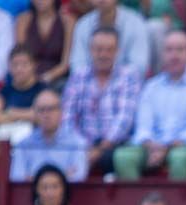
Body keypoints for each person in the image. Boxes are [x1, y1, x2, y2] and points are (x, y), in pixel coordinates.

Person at [113, 31, 186, 180]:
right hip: (153, 145)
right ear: (163, 54)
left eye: (180, 50)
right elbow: (143, 126)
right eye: (169, 50)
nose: (174, 56)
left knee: (179, 158)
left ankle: (180, 204)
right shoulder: (152, 86)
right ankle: (137, 203)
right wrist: (151, 145)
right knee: (123, 156)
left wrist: (168, 147)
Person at [61, 27, 142, 174]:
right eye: (98, 49)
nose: (103, 55)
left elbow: (125, 119)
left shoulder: (129, 76)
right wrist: (83, 147)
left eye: (109, 50)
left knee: (118, 157)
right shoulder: (78, 77)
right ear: (90, 50)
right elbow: (68, 119)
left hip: (117, 145)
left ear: (117, 51)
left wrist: (100, 149)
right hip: (82, 146)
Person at [10, 89, 90, 181]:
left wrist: (33, 179)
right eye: (41, 110)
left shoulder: (77, 143)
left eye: (51, 109)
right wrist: (64, 175)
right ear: (35, 114)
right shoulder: (23, 145)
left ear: (61, 112)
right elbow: (17, 179)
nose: (46, 115)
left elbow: (78, 177)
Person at [70, 0, 150, 77]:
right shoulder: (82, 24)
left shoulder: (136, 22)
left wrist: (110, 81)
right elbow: (77, 64)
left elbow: (139, 66)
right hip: (89, 84)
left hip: (127, 85)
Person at [0, 46, 48, 141]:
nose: (19, 69)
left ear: (33, 65)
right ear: (9, 67)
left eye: (24, 64)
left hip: (36, 140)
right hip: (7, 138)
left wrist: (12, 113)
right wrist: (28, 115)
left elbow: (43, 115)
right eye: (15, 65)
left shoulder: (43, 89)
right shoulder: (4, 91)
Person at [15, 0, 75, 86]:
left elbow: (65, 63)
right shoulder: (23, 20)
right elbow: (20, 56)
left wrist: (46, 77)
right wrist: (32, 79)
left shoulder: (68, 21)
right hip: (28, 77)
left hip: (58, 78)